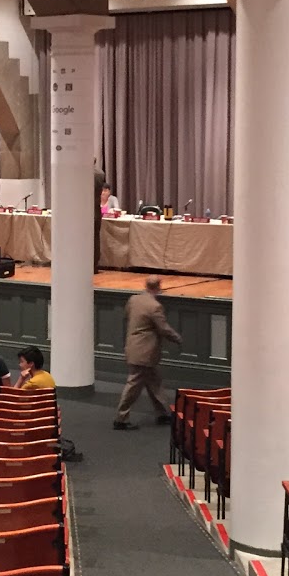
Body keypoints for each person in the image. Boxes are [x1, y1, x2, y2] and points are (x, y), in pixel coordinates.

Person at [114, 275, 181, 429]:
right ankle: (121, 418)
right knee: (134, 385)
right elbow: (163, 328)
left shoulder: (133, 300)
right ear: (159, 287)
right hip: (145, 352)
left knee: (154, 382)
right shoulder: (155, 306)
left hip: (134, 347)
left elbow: (127, 317)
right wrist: (177, 338)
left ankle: (163, 413)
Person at [93, 161, 106, 270]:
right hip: (96, 209)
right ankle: (94, 264)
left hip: (85, 210)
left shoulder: (84, 173)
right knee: (95, 238)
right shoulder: (100, 173)